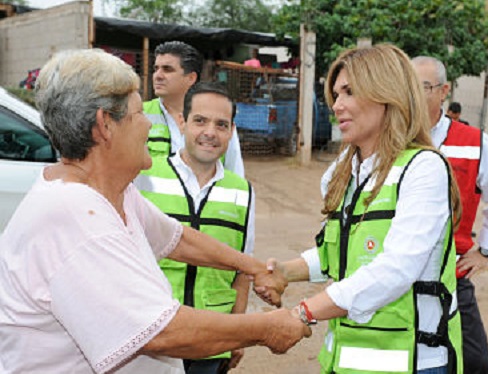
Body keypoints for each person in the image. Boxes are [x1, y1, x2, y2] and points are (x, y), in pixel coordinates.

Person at [0, 49, 310, 374]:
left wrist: (255, 267)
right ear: (105, 125)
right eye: (138, 114)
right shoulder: (75, 218)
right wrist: (265, 328)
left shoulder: (110, 191)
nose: (149, 124)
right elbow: (162, 332)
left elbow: (176, 238)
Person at [257, 44, 464, 373]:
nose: (337, 106)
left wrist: (303, 312)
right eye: (336, 94)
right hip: (345, 361)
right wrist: (287, 271)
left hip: (413, 363)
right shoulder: (345, 170)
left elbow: (396, 269)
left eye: (350, 92)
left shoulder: (423, 168)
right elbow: (338, 252)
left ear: (388, 94)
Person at [135, 82, 254, 374]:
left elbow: (243, 272)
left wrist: (236, 332)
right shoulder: (144, 177)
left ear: (231, 131)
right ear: (182, 122)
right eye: (200, 121)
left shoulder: (243, 192)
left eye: (221, 124)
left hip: (210, 341)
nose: (210, 133)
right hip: (152, 336)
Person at [412, 56, 488, 374]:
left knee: (475, 364)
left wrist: (484, 249)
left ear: (444, 91)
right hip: (400, 275)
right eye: (408, 86)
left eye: (424, 87)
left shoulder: (474, 142)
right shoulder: (390, 138)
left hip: (450, 275)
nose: (414, 95)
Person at [146, 41, 245, 177]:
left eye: (167, 69)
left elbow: (235, 173)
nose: (158, 75)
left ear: (191, 78)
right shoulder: (137, 114)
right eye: (156, 69)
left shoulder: (219, 119)